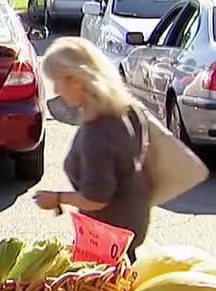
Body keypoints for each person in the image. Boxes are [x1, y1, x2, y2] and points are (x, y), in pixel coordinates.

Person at [34, 37, 149, 260]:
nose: (57, 90)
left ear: (76, 80)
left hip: (107, 238)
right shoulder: (129, 110)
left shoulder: (96, 134)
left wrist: (56, 198)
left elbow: (97, 198)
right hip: (133, 221)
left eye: (57, 82)